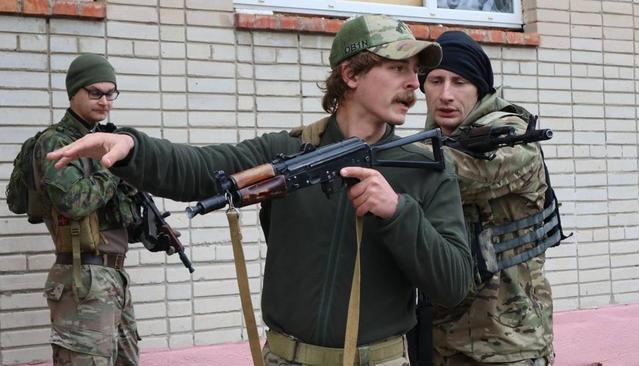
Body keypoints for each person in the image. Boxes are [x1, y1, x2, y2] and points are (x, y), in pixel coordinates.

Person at [48, 15, 472, 366]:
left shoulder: (424, 167)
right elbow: (200, 169)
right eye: (397, 68)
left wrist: (398, 212)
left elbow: (454, 283)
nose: (414, 85)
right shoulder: (287, 152)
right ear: (351, 74)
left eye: (415, 72)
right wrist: (132, 149)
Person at [417, 31, 557, 365]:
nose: (446, 94)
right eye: (435, 81)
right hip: (441, 342)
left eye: (459, 81)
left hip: (509, 344)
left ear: (480, 88)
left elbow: (455, 173)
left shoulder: (513, 139)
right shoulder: (428, 144)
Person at [36, 54, 140, 365]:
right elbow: (75, 202)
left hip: (113, 276)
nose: (105, 101)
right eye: (95, 92)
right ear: (74, 92)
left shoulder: (105, 137)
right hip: (83, 277)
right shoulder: (54, 142)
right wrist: (112, 166)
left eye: (111, 93)